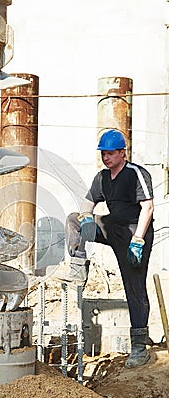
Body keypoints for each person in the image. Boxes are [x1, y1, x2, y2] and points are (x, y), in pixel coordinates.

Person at [65, 129, 154, 368]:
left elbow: (148, 208)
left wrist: (138, 240)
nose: (106, 158)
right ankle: (78, 266)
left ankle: (139, 347)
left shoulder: (136, 174)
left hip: (134, 234)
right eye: (103, 154)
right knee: (74, 220)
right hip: (112, 228)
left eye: (111, 153)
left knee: (134, 288)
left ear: (122, 153)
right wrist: (86, 216)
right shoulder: (102, 178)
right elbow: (88, 202)